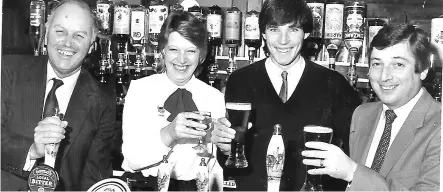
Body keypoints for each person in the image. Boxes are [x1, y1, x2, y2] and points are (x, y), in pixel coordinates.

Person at [211, 0, 361, 191]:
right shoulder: (240, 81)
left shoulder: (335, 84)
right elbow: (233, 163)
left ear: (306, 33)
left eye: (293, 30)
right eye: (274, 29)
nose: (283, 40)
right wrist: (225, 148)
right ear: (263, 33)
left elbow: (350, 157)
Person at [301, 24, 441, 191]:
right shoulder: (362, 114)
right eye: (377, 64)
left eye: (398, 65)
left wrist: (353, 173)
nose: (384, 76)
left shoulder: (438, 124)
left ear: (423, 70)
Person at [1, 0, 116, 190]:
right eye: (60, 31)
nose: (68, 43)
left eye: (79, 35)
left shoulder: (102, 100)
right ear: (46, 34)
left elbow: (93, 176)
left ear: (92, 42)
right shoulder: (7, 71)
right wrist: (33, 150)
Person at [121, 11, 225, 191]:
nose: (182, 60)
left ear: (201, 55)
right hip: (147, 186)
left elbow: (213, 165)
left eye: (190, 51)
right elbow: (133, 160)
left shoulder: (214, 97)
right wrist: (169, 133)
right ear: (162, 50)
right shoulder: (140, 89)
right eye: (174, 49)